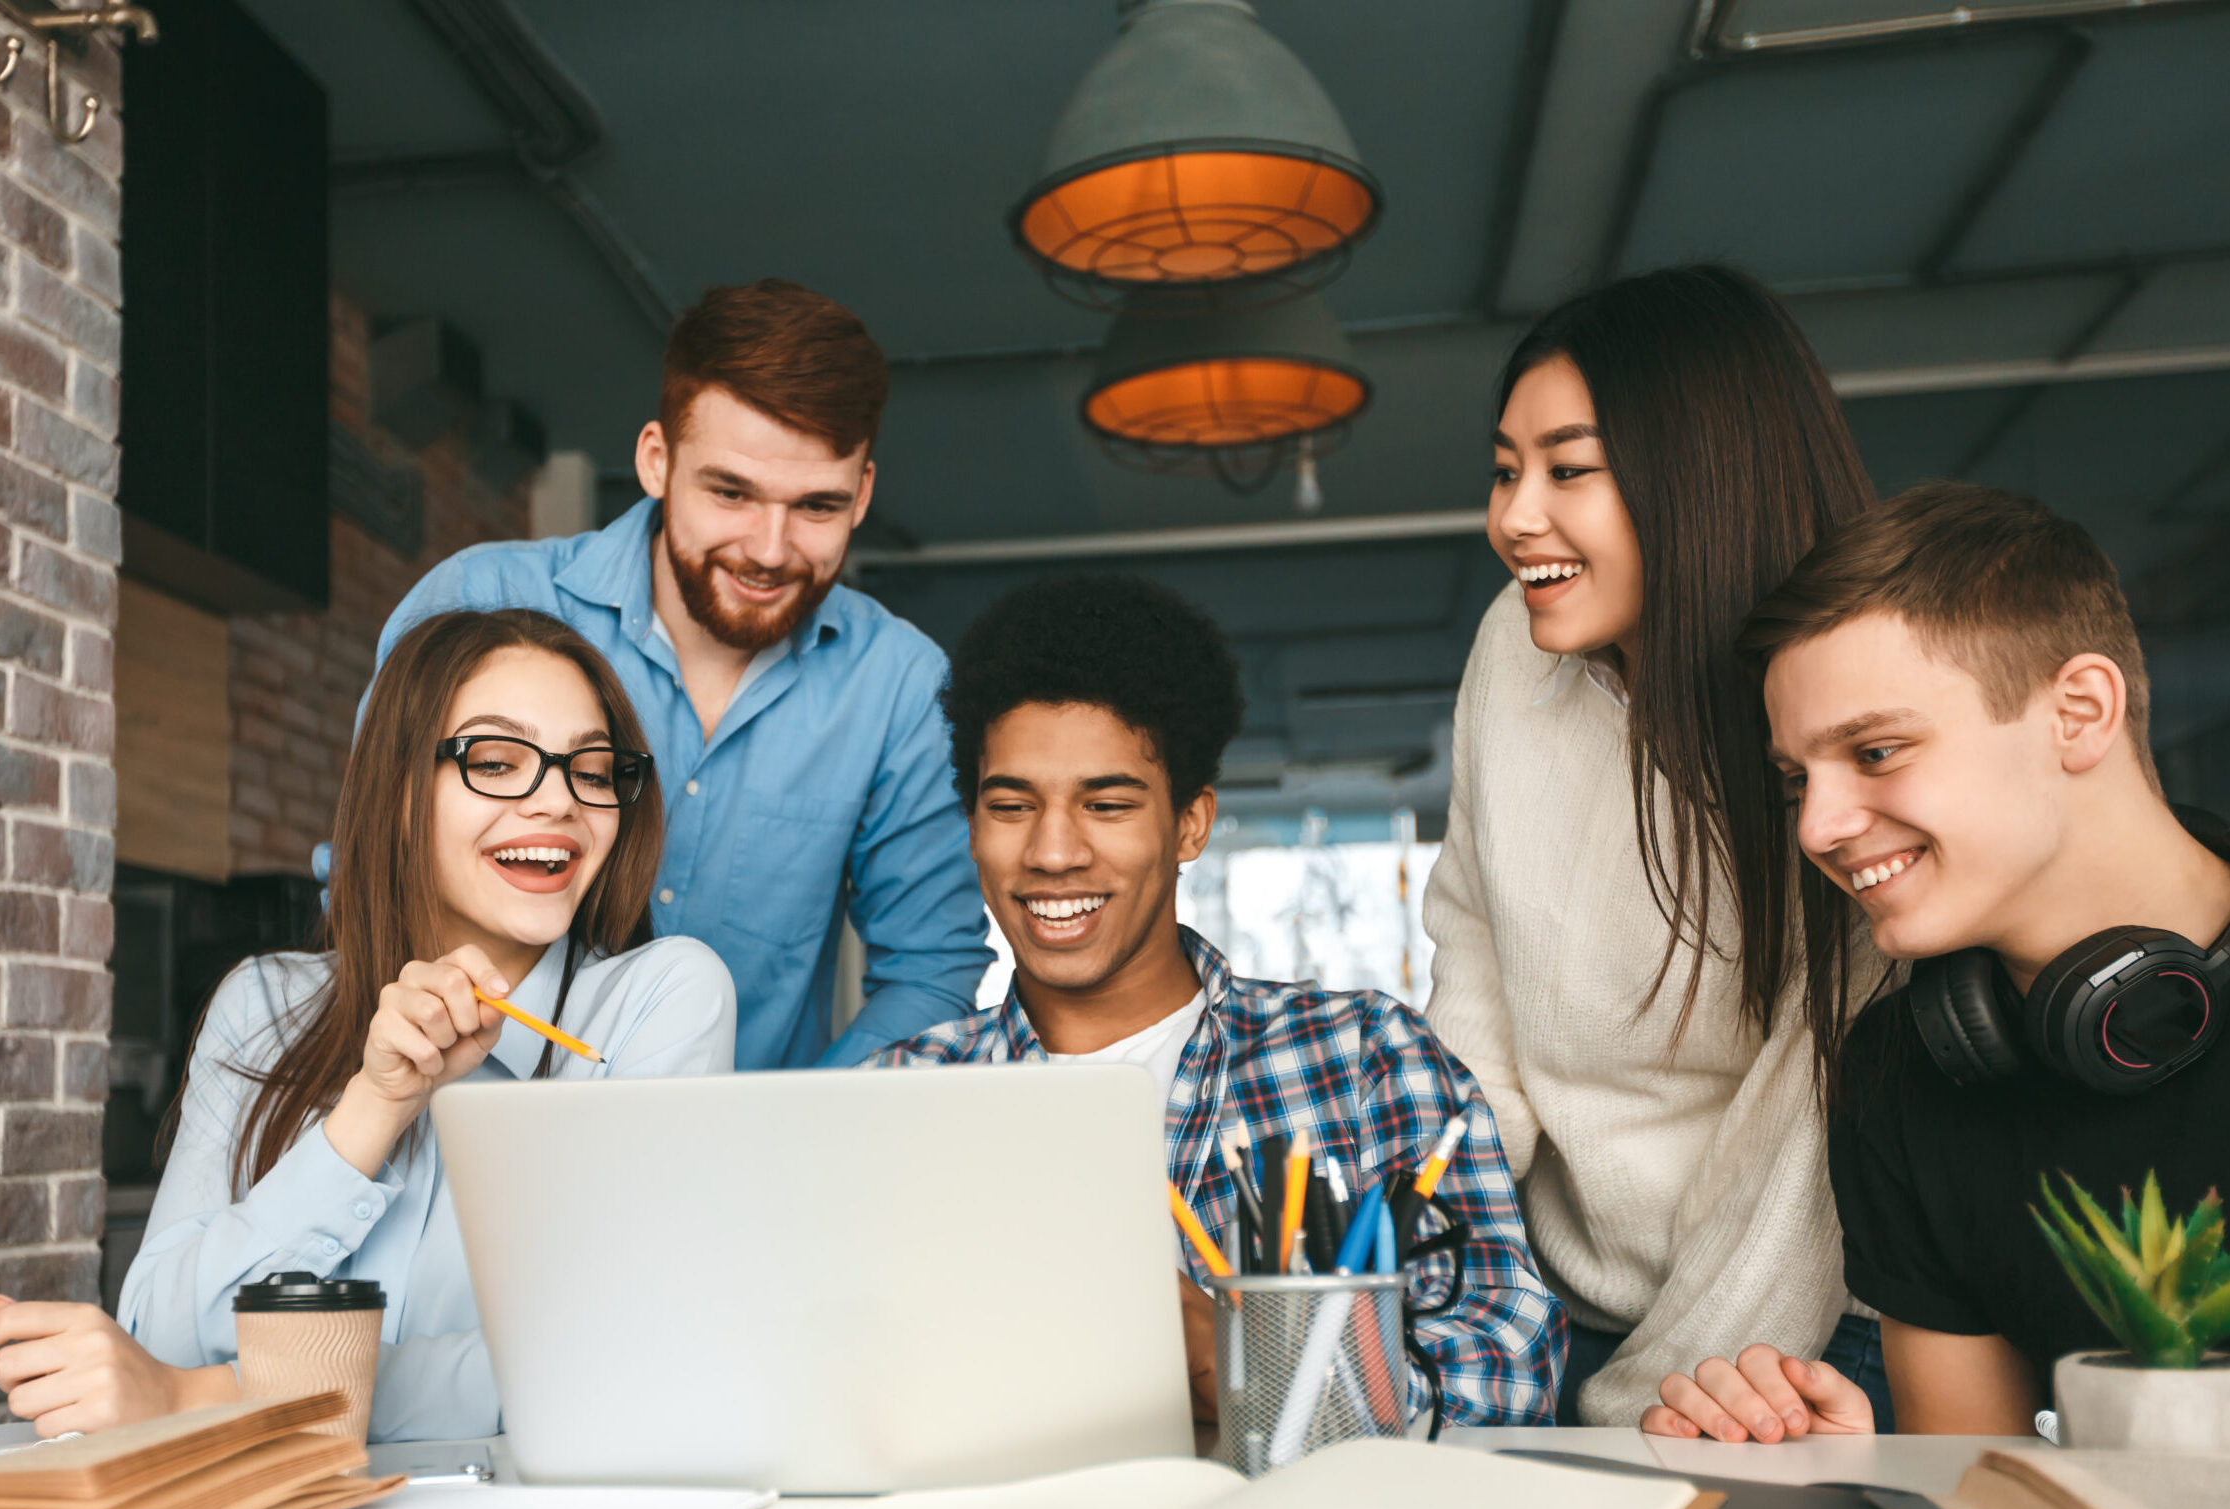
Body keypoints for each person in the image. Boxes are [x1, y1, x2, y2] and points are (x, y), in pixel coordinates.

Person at [0, 609, 736, 1442]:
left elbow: (606, 1364)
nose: (558, 800)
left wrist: (215, 1397)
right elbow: (159, 1336)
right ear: (400, 791)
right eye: (497, 761)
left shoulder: (659, 1001)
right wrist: (372, 1106)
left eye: (591, 768)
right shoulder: (264, 1003)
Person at [876, 574, 1565, 1429]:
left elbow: (1505, 1369)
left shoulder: (1362, 1058)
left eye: (1107, 804)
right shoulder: (899, 1092)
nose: (1052, 852)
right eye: (1011, 805)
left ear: (1190, 824)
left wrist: (1233, 1357)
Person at [1642, 484, 2230, 1442]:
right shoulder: (1897, 1069)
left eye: (1874, 751)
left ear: (2077, 711)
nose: (1817, 826)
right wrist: (1857, 1476)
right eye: (1797, 778)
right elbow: (1972, 1475)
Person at [1421, 264, 1887, 1428]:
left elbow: (1804, 1152)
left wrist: (1638, 1407)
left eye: (1567, 470)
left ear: (1701, 475)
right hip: (1556, 1311)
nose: (1512, 518)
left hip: (1795, 1343)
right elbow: (1473, 972)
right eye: (1502, 471)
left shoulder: (1843, 708)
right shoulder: (1509, 653)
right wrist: (1436, 1270)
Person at [369, 279, 989, 1069]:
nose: (769, 548)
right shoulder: (483, 601)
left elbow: (931, 970)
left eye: (817, 507)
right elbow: (369, 879)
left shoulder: (897, 684)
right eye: (731, 492)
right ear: (656, 460)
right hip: (465, 1140)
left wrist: (797, 1136)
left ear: (863, 492)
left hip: (754, 1174)